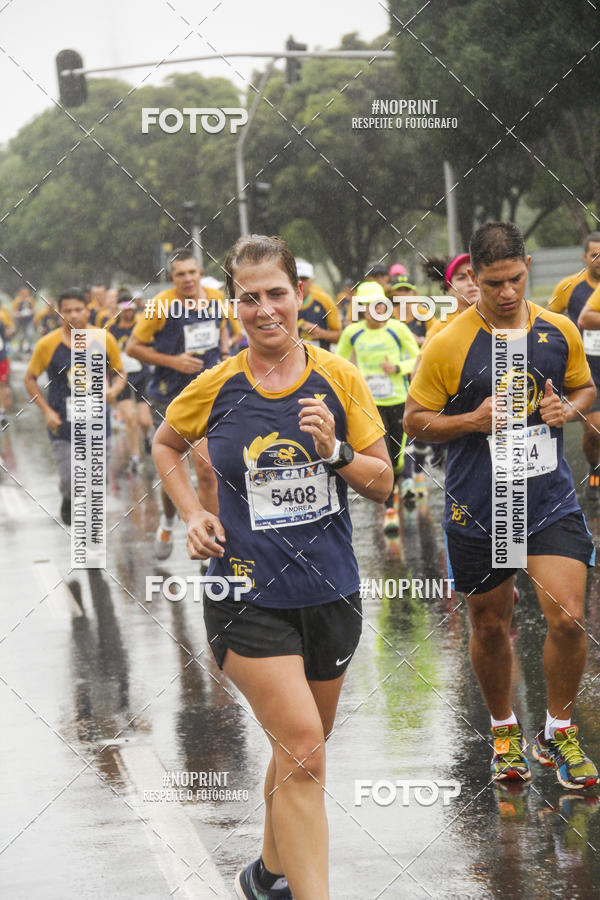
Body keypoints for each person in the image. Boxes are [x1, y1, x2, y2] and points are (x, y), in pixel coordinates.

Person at [153, 234, 392, 900]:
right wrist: (192, 513)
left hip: (330, 592)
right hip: (245, 594)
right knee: (305, 747)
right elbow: (166, 442)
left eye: (276, 294)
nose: (264, 310)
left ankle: (265, 875)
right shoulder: (217, 385)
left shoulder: (339, 378)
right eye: (249, 298)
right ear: (234, 304)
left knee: (300, 749)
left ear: (299, 295)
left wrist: (336, 450)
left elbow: (383, 484)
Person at [404, 221, 599, 789]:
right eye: (493, 283)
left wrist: (569, 409)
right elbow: (414, 421)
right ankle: (505, 730)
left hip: (547, 501)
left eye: (515, 279)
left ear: (527, 267)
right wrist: (471, 420)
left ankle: (558, 731)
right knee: (490, 626)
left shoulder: (558, 329)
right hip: (479, 507)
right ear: (474, 277)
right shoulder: (449, 343)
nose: (507, 292)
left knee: (569, 618)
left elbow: (585, 388)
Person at [126, 248, 234, 559]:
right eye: (180, 274)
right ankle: (169, 520)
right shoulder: (160, 306)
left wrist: (224, 355)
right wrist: (173, 361)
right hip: (169, 395)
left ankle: (213, 543)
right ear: (171, 278)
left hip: (209, 394)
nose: (187, 279)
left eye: (192, 272)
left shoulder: (216, 299)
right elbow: (133, 347)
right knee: (175, 470)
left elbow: (223, 330)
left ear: (200, 273)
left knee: (207, 469)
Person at [25, 288, 125, 524]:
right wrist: (47, 411)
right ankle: (69, 496)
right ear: (59, 314)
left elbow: (120, 372)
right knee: (72, 480)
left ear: (87, 311)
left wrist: (113, 391)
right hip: (62, 426)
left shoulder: (104, 339)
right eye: (67, 311)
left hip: (98, 424)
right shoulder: (47, 344)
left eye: (78, 310)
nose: (73, 315)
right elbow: (30, 378)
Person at [337, 280, 419, 532]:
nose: (376, 310)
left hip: (398, 400)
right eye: (369, 306)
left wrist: (397, 368)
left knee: (397, 459)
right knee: (381, 461)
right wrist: (353, 379)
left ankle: (401, 478)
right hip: (369, 406)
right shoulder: (352, 333)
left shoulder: (397, 329)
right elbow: (337, 364)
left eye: (379, 305)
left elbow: (418, 358)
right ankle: (390, 511)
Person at [548, 232, 600, 500]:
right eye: (595, 255)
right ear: (584, 257)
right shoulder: (570, 286)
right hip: (588, 370)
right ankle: (594, 470)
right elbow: (546, 320)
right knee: (594, 430)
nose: (599, 260)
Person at [109, 290, 152, 471]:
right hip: (121, 377)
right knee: (129, 418)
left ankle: (146, 437)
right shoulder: (111, 329)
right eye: (125, 310)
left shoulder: (141, 326)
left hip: (142, 374)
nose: (128, 313)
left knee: (145, 420)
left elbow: (152, 346)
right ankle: (135, 456)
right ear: (119, 310)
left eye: (130, 310)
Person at [295, 259, 342, 351]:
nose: (300, 283)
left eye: (304, 279)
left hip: (320, 358)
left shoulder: (324, 300)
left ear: (312, 280)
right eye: (295, 279)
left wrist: (321, 333)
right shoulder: (281, 302)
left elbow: (340, 336)